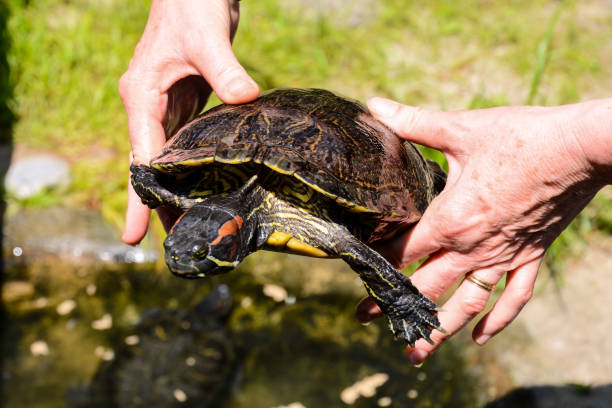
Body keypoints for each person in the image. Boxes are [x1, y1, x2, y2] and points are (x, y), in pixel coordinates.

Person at [120, 0, 612, 366]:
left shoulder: (284, 216)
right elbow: (161, 181)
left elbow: (351, 246)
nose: (183, 256)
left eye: (199, 249)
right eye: (187, 250)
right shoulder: (197, 190)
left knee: (361, 243)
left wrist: (573, 152)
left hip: (351, 155)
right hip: (242, 145)